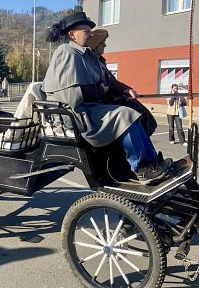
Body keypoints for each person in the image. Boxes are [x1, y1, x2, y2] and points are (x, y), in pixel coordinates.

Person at [42, 11, 173, 184]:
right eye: (86, 31)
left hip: (88, 108)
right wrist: (100, 92)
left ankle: (151, 161)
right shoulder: (67, 53)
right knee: (124, 115)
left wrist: (123, 91)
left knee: (133, 110)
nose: (91, 34)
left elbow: (108, 81)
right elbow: (70, 96)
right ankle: (140, 168)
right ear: (72, 34)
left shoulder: (84, 54)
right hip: (76, 114)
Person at [90, 28, 157, 137]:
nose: (105, 46)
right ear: (95, 44)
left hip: (108, 100)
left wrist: (127, 90)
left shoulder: (101, 62)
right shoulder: (89, 62)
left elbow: (112, 82)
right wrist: (104, 90)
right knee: (131, 113)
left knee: (140, 111)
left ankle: (146, 148)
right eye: (102, 43)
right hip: (100, 104)